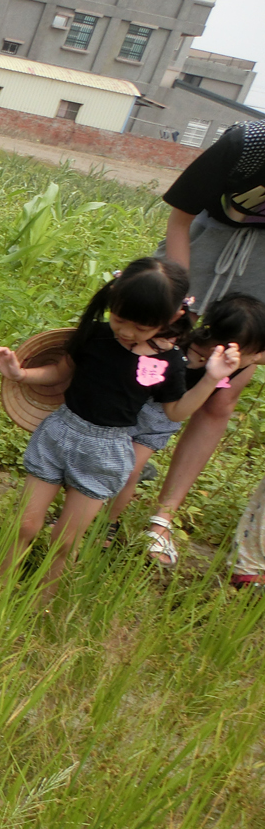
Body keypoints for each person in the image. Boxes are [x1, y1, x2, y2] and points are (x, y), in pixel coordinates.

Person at [0, 258, 236, 599]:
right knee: (25, 524)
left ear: (172, 319)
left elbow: (176, 411)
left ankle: (42, 602)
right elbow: (60, 373)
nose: (127, 332)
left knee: (66, 539)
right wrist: (20, 374)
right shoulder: (94, 336)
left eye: (142, 327)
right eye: (120, 319)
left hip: (107, 451)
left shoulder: (168, 362)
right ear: (112, 298)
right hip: (59, 433)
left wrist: (211, 378)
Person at [148, 121, 265, 563]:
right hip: (203, 245)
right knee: (150, 363)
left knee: (220, 396)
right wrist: (183, 298)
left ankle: (162, 518)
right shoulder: (248, 144)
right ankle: (103, 483)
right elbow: (180, 219)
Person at [105, 293, 265, 556]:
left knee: (129, 468)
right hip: (132, 408)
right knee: (109, 462)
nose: (259, 358)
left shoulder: (228, 363)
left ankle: (106, 525)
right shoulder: (177, 344)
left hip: (160, 422)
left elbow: (178, 413)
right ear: (227, 348)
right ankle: (87, 510)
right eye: (256, 352)